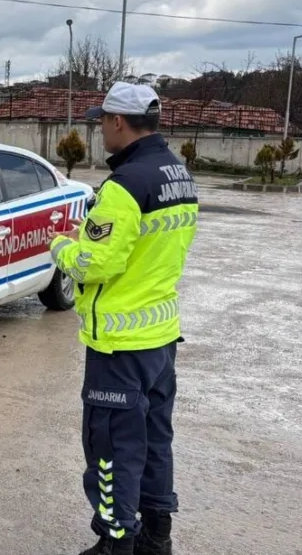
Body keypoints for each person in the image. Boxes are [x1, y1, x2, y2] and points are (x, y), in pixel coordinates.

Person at [48, 82, 199, 555]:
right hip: (159, 338)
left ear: (118, 122)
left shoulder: (123, 185)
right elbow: (143, 247)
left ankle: (116, 543)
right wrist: (92, 238)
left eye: (101, 121)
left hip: (120, 344)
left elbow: (96, 263)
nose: (99, 130)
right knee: (155, 441)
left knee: (112, 449)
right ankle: (157, 537)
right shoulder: (177, 172)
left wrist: (62, 247)